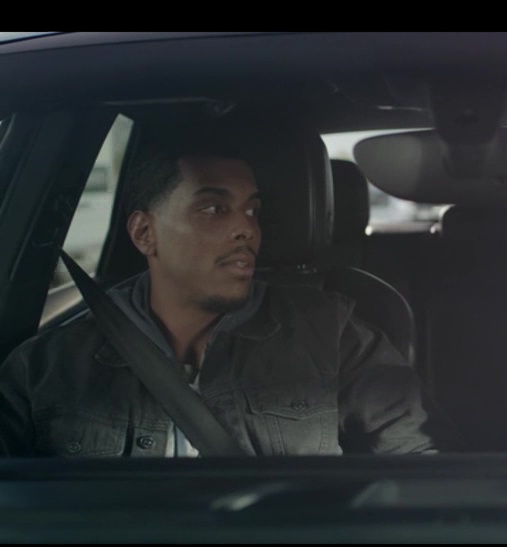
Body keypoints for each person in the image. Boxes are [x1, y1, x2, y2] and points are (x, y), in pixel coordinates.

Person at [0, 127, 458, 457]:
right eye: (214, 208)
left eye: (252, 211)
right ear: (144, 233)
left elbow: (422, 461)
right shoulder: (48, 365)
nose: (247, 229)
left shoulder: (331, 333)